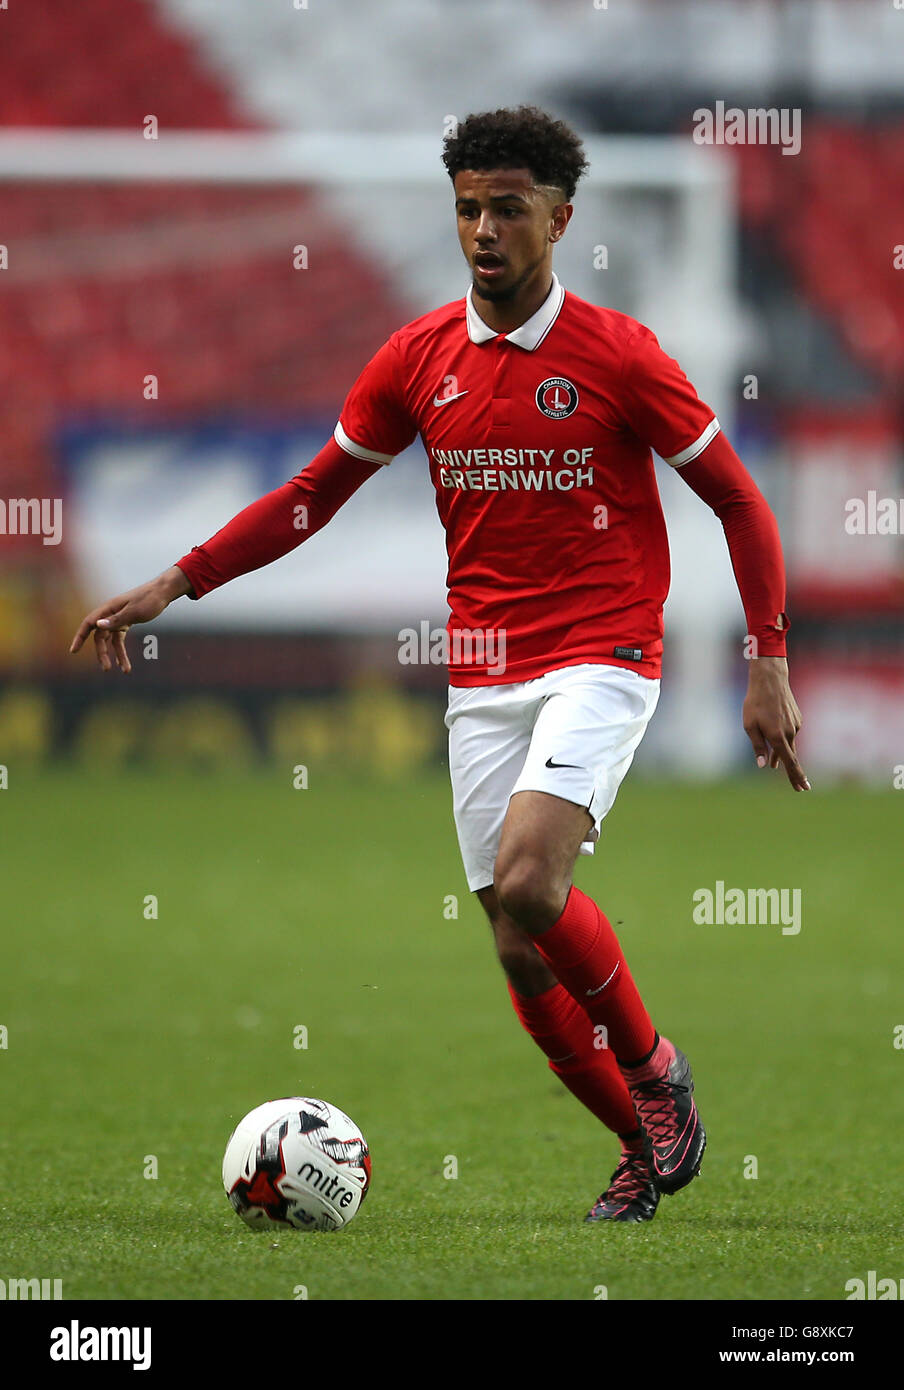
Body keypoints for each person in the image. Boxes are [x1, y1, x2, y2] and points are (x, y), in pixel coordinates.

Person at [70, 106, 808, 1224]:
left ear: (560, 218)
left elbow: (739, 499)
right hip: (482, 675)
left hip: (604, 652)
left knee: (529, 879)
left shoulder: (617, 355)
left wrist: (768, 660)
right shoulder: (417, 360)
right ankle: (640, 1146)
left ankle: (657, 1072)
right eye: (467, 207)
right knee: (518, 950)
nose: (483, 230)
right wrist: (179, 580)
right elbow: (313, 493)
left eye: (507, 208)